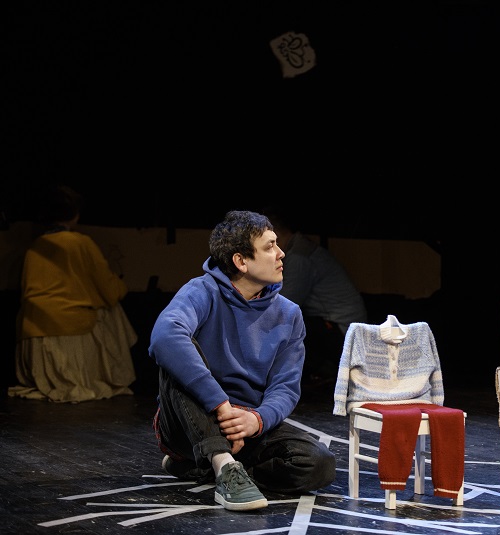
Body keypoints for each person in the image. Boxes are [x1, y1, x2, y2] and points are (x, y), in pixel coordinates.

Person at [148, 210, 336, 512]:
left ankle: (209, 468)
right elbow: (164, 337)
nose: (281, 253)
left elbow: (285, 388)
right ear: (241, 261)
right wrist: (221, 405)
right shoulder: (202, 291)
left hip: (245, 426)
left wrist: (256, 420)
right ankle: (221, 463)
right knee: (178, 353)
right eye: (269, 246)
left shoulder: (289, 314)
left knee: (319, 464)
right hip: (191, 421)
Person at [9, 184, 137, 403]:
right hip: (69, 326)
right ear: (75, 214)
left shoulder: (35, 246)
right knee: (111, 308)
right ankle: (116, 373)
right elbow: (107, 287)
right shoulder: (80, 243)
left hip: (32, 333)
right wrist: (120, 287)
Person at [262, 206, 368, 386]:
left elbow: (286, 303)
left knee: (287, 326)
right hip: (340, 325)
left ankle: (325, 373)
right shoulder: (299, 248)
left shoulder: (300, 256)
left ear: (275, 235)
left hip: (343, 330)